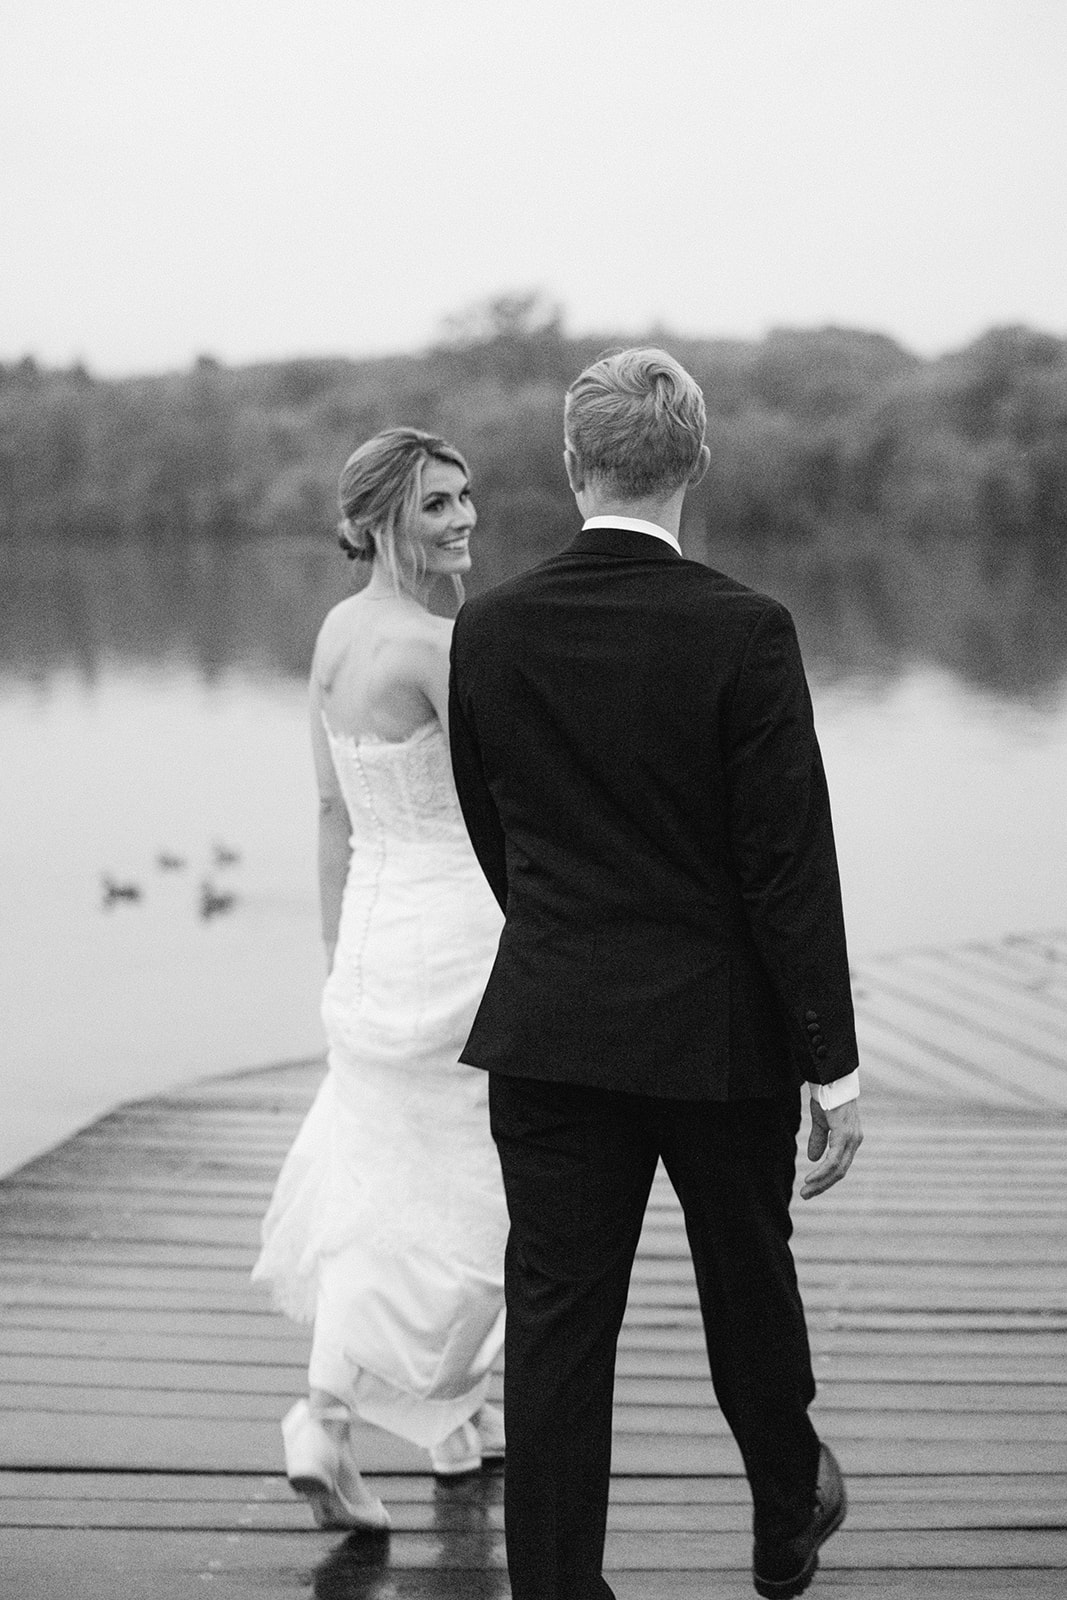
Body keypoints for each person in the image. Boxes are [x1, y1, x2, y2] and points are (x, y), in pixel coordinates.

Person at [448, 350, 864, 1600]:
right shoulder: (746, 629)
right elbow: (786, 862)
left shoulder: (492, 626)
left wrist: (568, 944)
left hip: (551, 1028)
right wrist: (827, 1065)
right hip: (718, 1040)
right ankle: (784, 1518)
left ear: (571, 465)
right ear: (696, 462)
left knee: (560, 1328)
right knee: (749, 1284)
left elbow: (494, 827)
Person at [252, 427, 508, 1531]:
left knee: (383, 1186)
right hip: (458, 935)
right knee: (485, 1201)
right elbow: (507, 813)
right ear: (380, 522)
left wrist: (329, 952)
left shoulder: (335, 632)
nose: (461, 521)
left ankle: (450, 1419)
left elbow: (328, 810)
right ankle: (329, 1410)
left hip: (367, 938)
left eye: (464, 499)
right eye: (436, 505)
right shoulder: (438, 652)